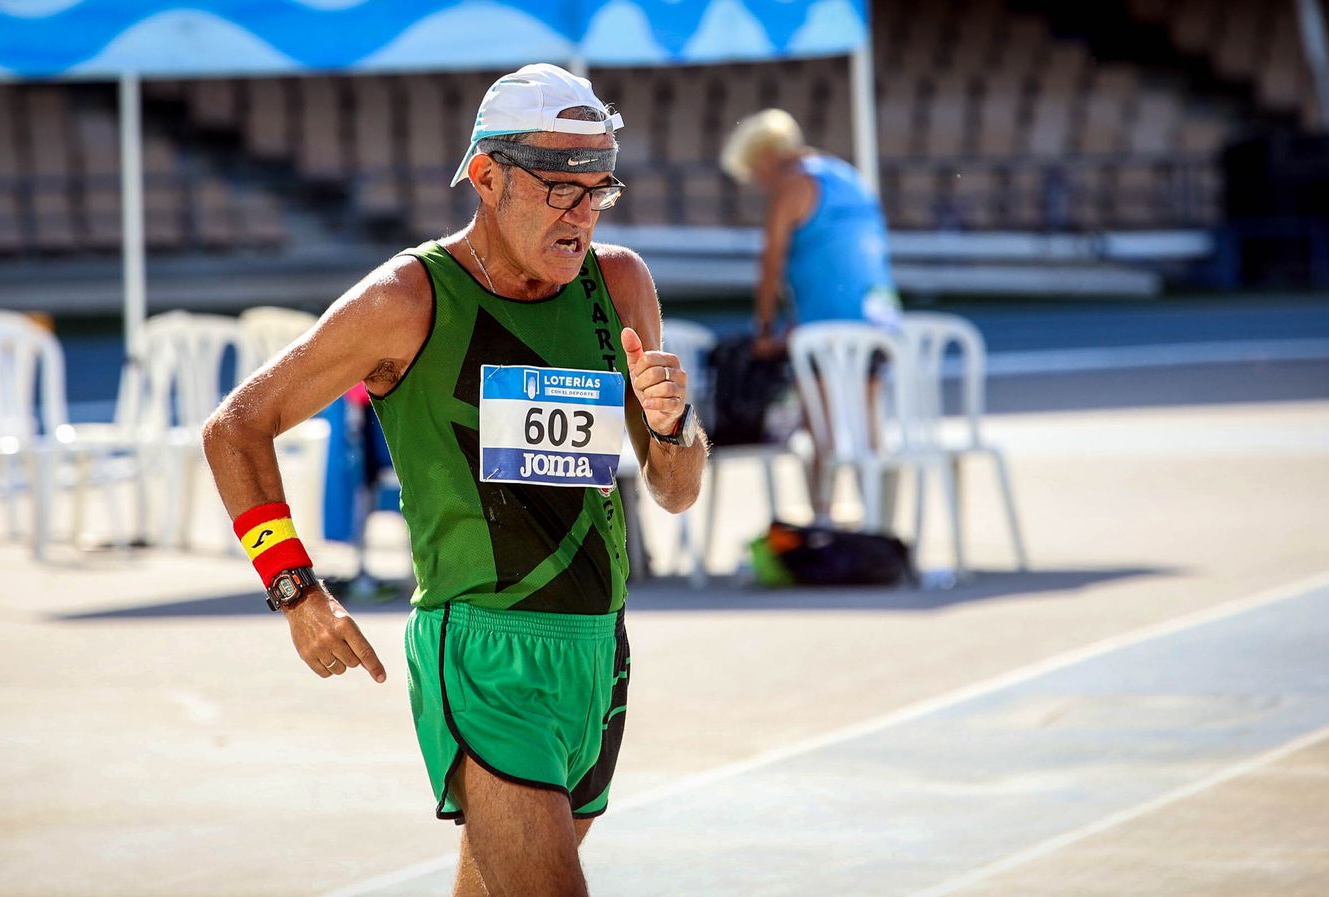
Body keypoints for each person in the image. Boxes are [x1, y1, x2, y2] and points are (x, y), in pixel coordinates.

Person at [201, 63, 707, 897]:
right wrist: (296, 590)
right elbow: (236, 425)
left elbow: (675, 489)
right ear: (486, 176)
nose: (582, 212)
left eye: (599, 189)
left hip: (598, 650)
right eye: (560, 187)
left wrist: (673, 424)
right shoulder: (407, 297)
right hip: (483, 652)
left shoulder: (619, 282)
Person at [720, 108, 901, 525]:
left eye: (755, 172)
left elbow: (770, 265)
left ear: (766, 157)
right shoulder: (848, 176)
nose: (760, 183)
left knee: (821, 430)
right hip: (880, 320)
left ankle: (822, 520)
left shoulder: (791, 184)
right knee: (868, 427)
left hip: (828, 327)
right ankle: (877, 522)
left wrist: (764, 331)